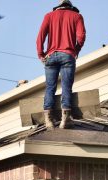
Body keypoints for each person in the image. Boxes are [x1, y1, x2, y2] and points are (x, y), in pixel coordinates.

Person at [36, 0, 86, 129]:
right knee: (66, 87)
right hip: (67, 55)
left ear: (58, 7)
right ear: (70, 6)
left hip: (51, 56)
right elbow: (81, 37)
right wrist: (75, 50)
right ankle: (65, 119)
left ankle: (48, 120)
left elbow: (40, 36)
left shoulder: (49, 16)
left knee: (50, 87)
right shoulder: (77, 16)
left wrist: (41, 54)